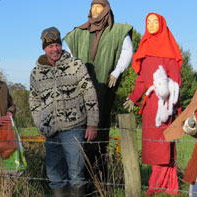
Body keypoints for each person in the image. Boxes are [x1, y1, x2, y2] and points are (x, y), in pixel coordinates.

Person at [63, 0, 133, 185]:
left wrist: (116, 72)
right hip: (80, 90)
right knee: (80, 129)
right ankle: (82, 180)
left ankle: (101, 181)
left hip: (104, 87)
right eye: (92, 7)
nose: (95, 11)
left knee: (100, 130)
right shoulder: (78, 33)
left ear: (106, 10)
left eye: (98, 8)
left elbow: (127, 51)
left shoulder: (118, 31)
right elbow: (68, 55)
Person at [29, 27, 99, 196]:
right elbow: (34, 100)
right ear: (44, 48)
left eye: (57, 45)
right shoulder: (36, 72)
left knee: (76, 175)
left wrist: (92, 123)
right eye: (50, 46)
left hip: (74, 128)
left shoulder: (75, 65)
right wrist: (40, 123)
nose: (55, 49)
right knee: (54, 176)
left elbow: (89, 92)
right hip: (50, 132)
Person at [123, 13, 182, 195]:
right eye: (148, 21)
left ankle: (158, 185)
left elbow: (176, 80)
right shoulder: (145, 48)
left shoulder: (169, 50)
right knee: (152, 144)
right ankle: (160, 184)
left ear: (162, 24)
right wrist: (133, 97)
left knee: (163, 144)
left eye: (155, 21)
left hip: (164, 104)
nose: (152, 24)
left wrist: (170, 100)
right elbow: (142, 80)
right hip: (149, 106)